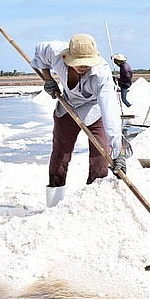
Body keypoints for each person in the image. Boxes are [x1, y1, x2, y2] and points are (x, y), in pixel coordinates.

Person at [31, 33, 127, 207]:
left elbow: (110, 111)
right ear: (68, 56)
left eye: (86, 63)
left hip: (94, 107)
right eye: (78, 62)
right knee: (60, 153)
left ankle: (92, 202)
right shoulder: (55, 52)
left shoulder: (101, 74)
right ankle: (54, 202)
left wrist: (118, 149)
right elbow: (39, 53)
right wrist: (48, 79)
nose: (82, 66)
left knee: (101, 152)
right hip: (67, 104)